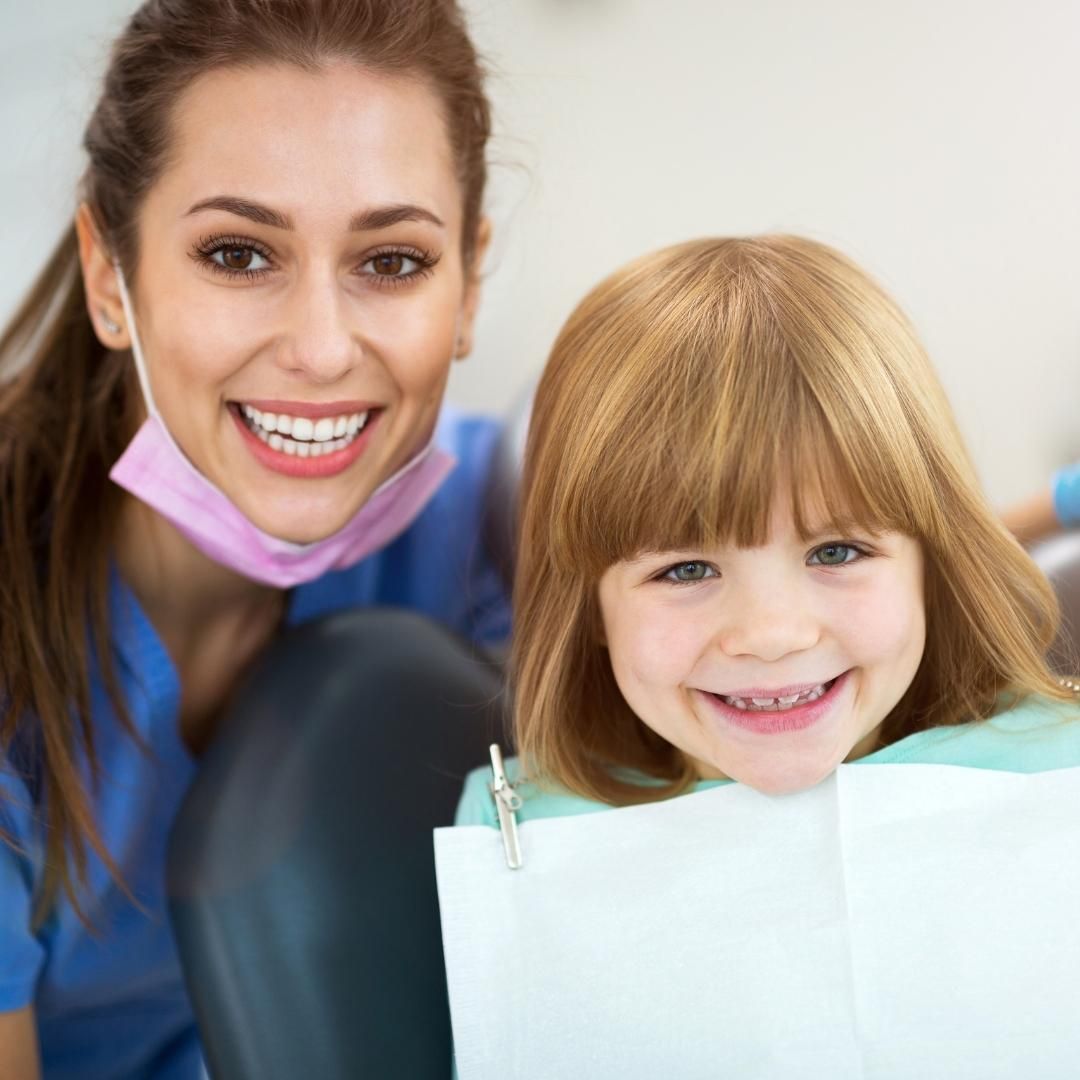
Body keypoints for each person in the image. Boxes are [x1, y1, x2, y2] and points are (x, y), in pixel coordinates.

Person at [0, 1, 509, 1076]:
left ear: (469, 281)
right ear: (110, 276)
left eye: (393, 262)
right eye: (238, 254)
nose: (321, 350)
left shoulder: (491, 538)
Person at [456, 233, 1080, 829]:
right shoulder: (519, 830)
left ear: (930, 568)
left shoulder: (1059, 771)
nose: (772, 636)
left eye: (835, 551)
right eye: (686, 569)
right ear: (589, 604)